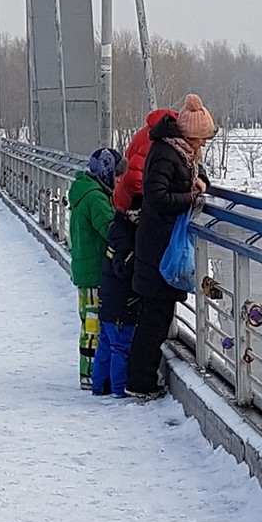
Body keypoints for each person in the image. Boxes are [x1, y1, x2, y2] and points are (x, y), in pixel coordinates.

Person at [126, 98, 217, 397]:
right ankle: (139, 384)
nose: (203, 144)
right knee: (154, 320)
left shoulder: (180, 153)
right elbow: (157, 199)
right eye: (202, 138)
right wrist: (191, 197)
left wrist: (199, 183)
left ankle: (140, 381)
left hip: (160, 247)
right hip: (158, 250)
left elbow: (198, 176)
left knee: (156, 318)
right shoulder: (167, 154)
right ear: (191, 136)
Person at [67, 147, 118, 387]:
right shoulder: (96, 198)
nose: (118, 179)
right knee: (93, 326)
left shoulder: (84, 191)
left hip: (85, 269)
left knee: (88, 323)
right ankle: (89, 375)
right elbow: (110, 230)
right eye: (116, 174)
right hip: (94, 272)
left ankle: (89, 373)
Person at [92, 196, 139, 396]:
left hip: (109, 300)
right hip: (122, 303)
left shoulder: (116, 231)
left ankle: (100, 386)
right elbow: (122, 268)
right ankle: (119, 390)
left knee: (105, 345)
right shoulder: (128, 238)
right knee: (120, 348)